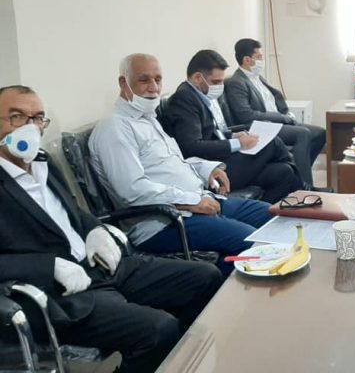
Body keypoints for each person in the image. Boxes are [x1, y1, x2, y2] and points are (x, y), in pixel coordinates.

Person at [0, 85, 221, 373]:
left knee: (206, 278)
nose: (31, 127)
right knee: (158, 330)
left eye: (38, 118)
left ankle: (175, 364)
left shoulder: (43, 162)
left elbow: (74, 212)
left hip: (101, 266)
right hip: (60, 292)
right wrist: (49, 266)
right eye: (17, 116)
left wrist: (95, 231)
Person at [89, 54, 274, 275]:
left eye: (158, 79)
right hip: (164, 223)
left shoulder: (147, 119)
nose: (154, 88)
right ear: (123, 82)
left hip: (199, 201)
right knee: (253, 243)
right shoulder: (115, 128)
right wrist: (192, 201)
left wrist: (207, 169)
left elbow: (173, 164)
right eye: (144, 80)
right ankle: (225, 294)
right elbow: (132, 190)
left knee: (272, 216)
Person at [162, 49, 302, 203]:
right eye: (216, 82)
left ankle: (265, 213)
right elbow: (192, 146)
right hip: (211, 170)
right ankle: (302, 190)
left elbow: (211, 133)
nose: (220, 86)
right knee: (272, 143)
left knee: (284, 172)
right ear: (197, 78)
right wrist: (237, 143)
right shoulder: (184, 99)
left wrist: (233, 135)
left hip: (221, 159)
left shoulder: (200, 96)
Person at [225, 38, 326, 191]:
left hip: (279, 121)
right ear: (247, 60)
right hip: (263, 126)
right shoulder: (237, 82)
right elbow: (246, 115)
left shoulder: (256, 76)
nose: (262, 60)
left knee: (320, 134)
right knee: (303, 134)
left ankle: (297, 176)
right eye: (259, 57)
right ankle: (305, 188)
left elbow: (273, 98)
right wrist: (281, 117)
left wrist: (285, 112)